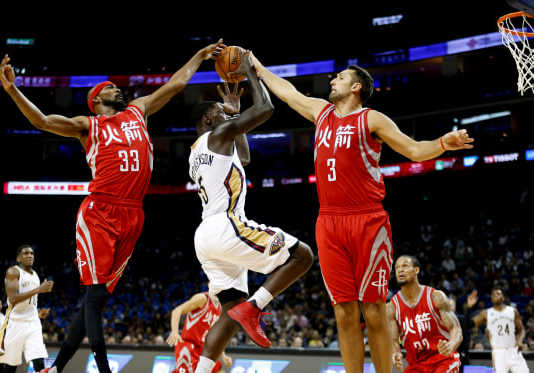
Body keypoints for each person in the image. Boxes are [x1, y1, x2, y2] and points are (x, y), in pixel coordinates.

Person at [0, 39, 225, 373]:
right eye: (111, 88)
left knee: (99, 298)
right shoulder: (88, 125)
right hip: (99, 212)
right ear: (96, 101)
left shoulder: (138, 110)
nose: (118, 90)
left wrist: (200, 55)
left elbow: (176, 84)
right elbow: (43, 121)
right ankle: (104, 369)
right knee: (93, 296)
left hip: (134, 212)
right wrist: (13, 90)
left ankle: (54, 368)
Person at [250, 55, 474, 373]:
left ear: (356, 87)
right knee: (343, 311)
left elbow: (413, 150)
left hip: (367, 220)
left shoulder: (371, 119)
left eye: (339, 77)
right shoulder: (321, 112)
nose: (332, 81)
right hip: (328, 221)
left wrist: (442, 143)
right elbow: (288, 93)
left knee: (373, 310)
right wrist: (259, 69)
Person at [188, 51, 314, 373]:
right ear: (207, 119)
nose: (225, 115)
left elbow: (243, 158)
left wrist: (233, 115)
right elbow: (266, 109)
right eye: (219, 112)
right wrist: (250, 72)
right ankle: (256, 308)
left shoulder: (197, 152)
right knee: (303, 256)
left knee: (228, 313)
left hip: (205, 237)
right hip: (225, 226)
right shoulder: (215, 135)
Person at [386, 255, 462, 372]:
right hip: (417, 364)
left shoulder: (436, 297)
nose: (400, 270)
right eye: (397, 268)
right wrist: (395, 352)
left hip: (443, 359)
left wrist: (450, 345)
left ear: (416, 270)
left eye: (405, 266)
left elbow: (456, 330)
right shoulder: (391, 308)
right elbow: (394, 340)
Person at [0, 245, 54, 373]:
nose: (29, 256)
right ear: (18, 258)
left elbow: (30, 302)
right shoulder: (13, 272)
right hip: (15, 323)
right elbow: (13, 299)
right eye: (26, 253)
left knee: (39, 362)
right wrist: (39, 289)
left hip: (33, 323)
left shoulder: (36, 275)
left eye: (31, 253)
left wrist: (38, 313)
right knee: (9, 366)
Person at [167, 290, 232, 373]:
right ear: (210, 283)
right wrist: (175, 332)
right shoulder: (202, 299)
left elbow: (214, 335)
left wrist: (223, 356)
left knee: (219, 370)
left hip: (202, 349)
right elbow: (177, 310)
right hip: (188, 346)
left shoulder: (220, 308)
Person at [471, 287, 530, 373]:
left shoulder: (513, 311)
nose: (496, 296)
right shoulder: (486, 313)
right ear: (491, 298)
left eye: (498, 294)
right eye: (493, 294)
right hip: (498, 351)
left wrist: (520, 340)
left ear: (503, 297)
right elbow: (470, 323)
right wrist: (469, 307)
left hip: (513, 349)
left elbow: (522, 330)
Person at [449, 290, 477, 373]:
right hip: (445, 355)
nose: (447, 307)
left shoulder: (460, 319)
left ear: (454, 308)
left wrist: (469, 307)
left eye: (449, 306)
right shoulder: (439, 320)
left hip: (459, 354)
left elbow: (467, 324)